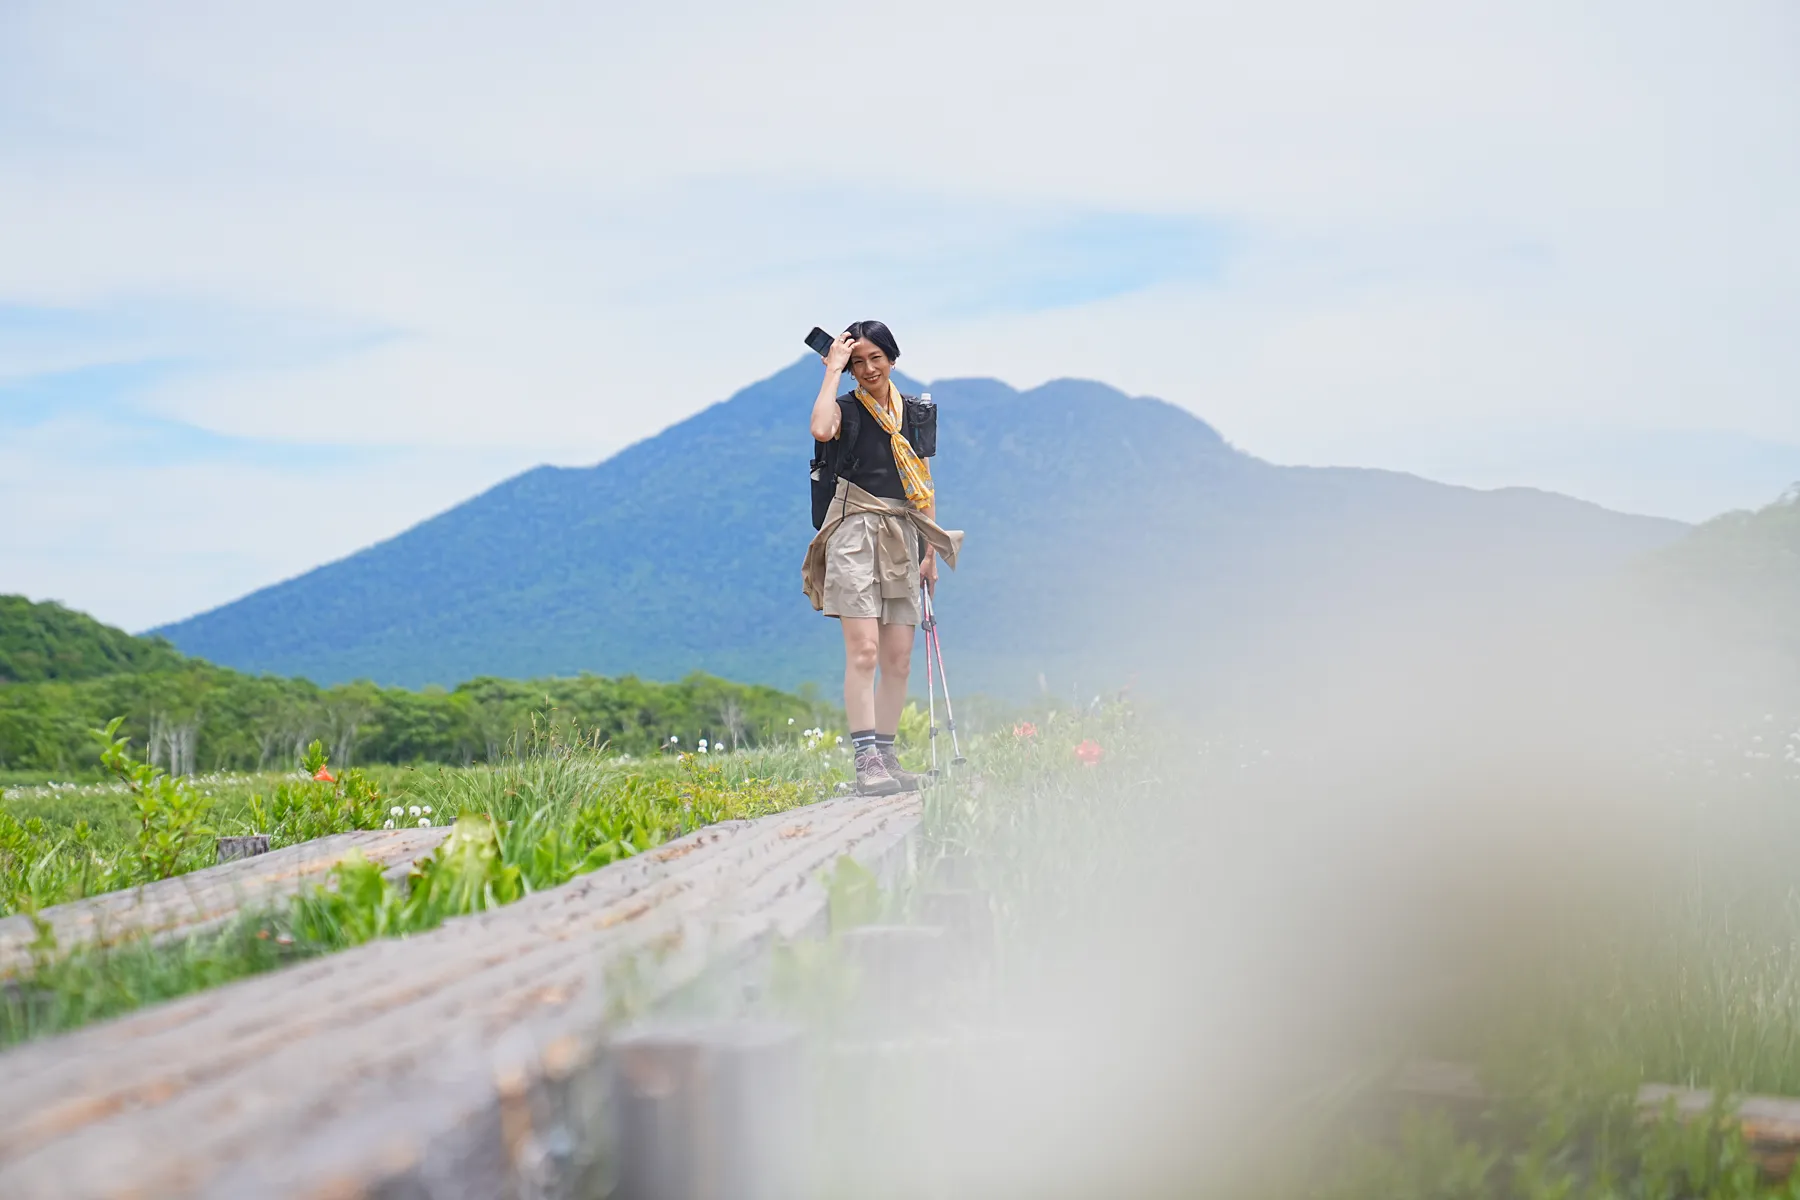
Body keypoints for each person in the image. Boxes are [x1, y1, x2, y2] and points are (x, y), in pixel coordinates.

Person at [802, 320, 962, 795]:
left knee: (899, 658)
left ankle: (887, 756)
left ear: (893, 358)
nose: (869, 368)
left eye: (877, 358)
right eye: (858, 361)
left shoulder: (913, 412)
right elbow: (820, 427)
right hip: (853, 531)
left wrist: (929, 551)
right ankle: (866, 759)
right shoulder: (844, 408)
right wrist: (832, 369)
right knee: (865, 651)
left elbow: (923, 480)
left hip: (901, 532)